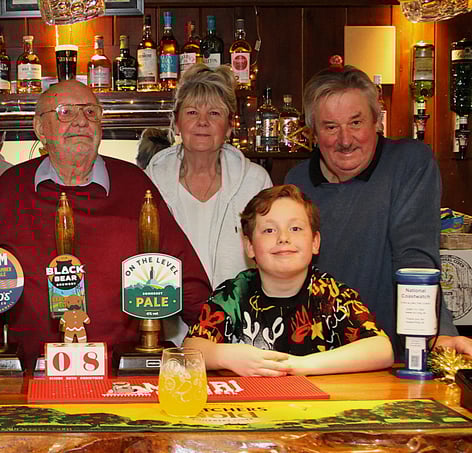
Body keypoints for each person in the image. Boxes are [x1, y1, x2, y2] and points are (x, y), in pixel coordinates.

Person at [0, 80, 212, 368]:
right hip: (32, 373)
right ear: (40, 129)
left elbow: (182, 273)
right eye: (65, 112)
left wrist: (215, 342)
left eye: (91, 112)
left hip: (123, 371)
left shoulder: (134, 185)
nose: (81, 121)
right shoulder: (11, 188)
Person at [285, 64, 472, 356]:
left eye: (356, 123)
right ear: (314, 132)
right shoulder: (296, 182)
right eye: (331, 127)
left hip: (394, 353)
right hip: (317, 357)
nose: (345, 140)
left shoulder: (409, 162)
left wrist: (434, 336)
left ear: (376, 121)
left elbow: (415, 255)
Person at [184, 184, 394, 377]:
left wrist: (300, 366)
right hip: (251, 408)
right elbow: (190, 348)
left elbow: (381, 350)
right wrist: (227, 356)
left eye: (295, 228)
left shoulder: (332, 295)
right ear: (249, 246)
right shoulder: (234, 294)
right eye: (269, 230)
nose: (283, 238)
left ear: (314, 242)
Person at [146, 63, 272, 288]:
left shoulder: (255, 182)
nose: (202, 122)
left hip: (237, 318)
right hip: (172, 319)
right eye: (192, 112)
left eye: (214, 113)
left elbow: (272, 256)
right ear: (176, 123)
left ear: (229, 126)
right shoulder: (151, 182)